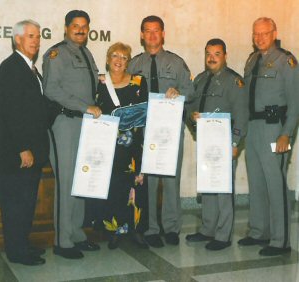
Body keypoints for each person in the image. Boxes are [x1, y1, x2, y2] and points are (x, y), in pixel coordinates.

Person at [128, 15, 194, 247]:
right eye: (148, 31)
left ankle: (172, 227)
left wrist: (178, 90)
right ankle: (151, 228)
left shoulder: (176, 62)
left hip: (170, 131)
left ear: (163, 34)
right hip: (144, 131)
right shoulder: (134, 64)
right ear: (142, 35)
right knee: (150, 180)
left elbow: (191, 90)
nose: (152, 35)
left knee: (171, 179)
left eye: (157, 31)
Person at [238, 17, 299, 256]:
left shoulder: (287, 61)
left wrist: (287, 134)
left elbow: (295, 102)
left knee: (275, 183)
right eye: (256, 34)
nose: (260, 38)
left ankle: (280, 241)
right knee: (257, 181)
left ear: (274, 33)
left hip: (275, 127)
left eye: (264, 33)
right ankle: (258, 231)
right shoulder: (252, 60)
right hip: (253, 127)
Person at [42, 10, 101, 259]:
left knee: (81, 180)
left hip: (86, 125)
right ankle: (62, 241)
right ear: (66, 28)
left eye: (84, 26)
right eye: (75, 26)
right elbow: (51, 90)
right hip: (65, 123)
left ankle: (77, 233)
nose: (80, 30)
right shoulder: (56, 54)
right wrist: (84, 106)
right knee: (66, 182)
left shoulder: (86, 53)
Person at [185, 39, 249, 250]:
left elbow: (242, 114)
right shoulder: (201, 79)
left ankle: (223, 235)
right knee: (208, 186)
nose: (212, 58)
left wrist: (235, 142)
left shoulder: (234, 81)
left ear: (225, 56)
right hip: (205, 140)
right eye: (209, 54)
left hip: (224, 141)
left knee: (223, 189)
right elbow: (190, 106)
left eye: (217, 54)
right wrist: (192, 118)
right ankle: (207, 229)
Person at [0, 19, 49, 265]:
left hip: (32, 150)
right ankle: (17, 252)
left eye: (38, 36)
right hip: (18, 153)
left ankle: (22, 244)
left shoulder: (30, 68)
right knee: (16, 203)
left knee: (27, 201)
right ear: (17, 39)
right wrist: (22, 149)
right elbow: (9, 113)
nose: (36, 41)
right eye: (31, 36)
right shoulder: (10, 68)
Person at [94, 42, 149, 249]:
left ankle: (137, 231)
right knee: (114, 186)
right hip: (109, 146)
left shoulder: (138, 82)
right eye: (115, 56)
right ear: (108, 59)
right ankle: (115, 231)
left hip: (134, 145)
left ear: (128, 62)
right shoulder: (99, 82)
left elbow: (146, 112)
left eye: (124, 57)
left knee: (137, 185)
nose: (119, 61)